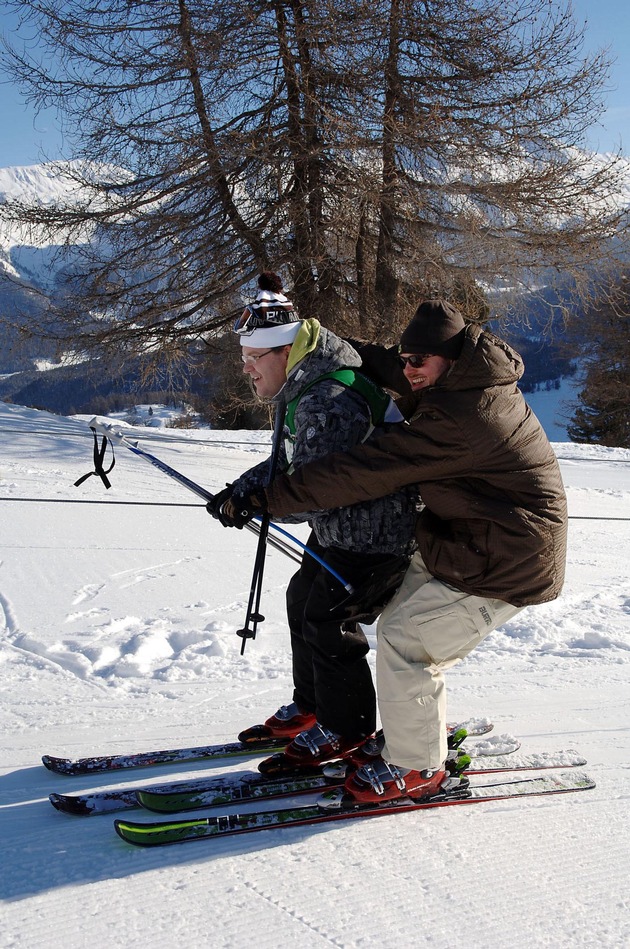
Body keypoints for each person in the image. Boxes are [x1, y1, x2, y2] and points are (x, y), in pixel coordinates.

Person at [233, 299, 568, 802]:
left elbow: (363, 470)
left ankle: (417, 766)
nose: (407, 369)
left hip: (507, 563)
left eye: (418, 362)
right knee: (392, 627)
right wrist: (320, 338)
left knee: (406, 641)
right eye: (406, 358)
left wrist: (267, 498)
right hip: (463, 543)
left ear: (450, 360)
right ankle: (407, 728)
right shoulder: (456, 378)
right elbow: (390, 362)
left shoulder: (465, 417)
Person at [207, 273, 418, 769]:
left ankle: (344, 727)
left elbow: (318, 490)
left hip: (381, 535)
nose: (247, 370)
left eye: (252, 359)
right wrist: (240, 492)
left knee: (328, 620)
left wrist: (260, 503)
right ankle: (315, 707)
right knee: (303, 599)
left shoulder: (329, 396)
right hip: (347, 530)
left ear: (283, 352)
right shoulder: (307, 384)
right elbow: (292, 464)